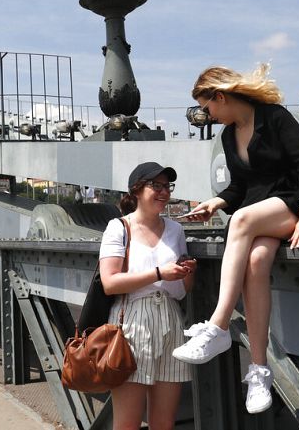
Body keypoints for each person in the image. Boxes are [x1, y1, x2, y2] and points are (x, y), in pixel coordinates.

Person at [172, 64, 299, 414]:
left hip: (289, 205)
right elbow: (241, 187)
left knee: (240, 220)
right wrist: (217, 202)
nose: (207, 115)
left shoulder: (274, 118)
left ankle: (218, 325)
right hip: (258, 215)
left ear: (220, 97)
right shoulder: (227, 136)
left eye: (207, 108)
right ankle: (259, 372)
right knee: (255, 263)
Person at [99, 162, 197, 430]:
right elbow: (110, 282)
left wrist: (186, 273)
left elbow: (181, 290)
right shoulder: (119, 227)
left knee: (164, 423)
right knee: (128, 424)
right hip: (132, 322)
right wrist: (159, 273)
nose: (164, 192)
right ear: (136, 190)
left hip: (170, 319)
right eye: (156, 185)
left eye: (167, 186)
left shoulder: (175, 230)